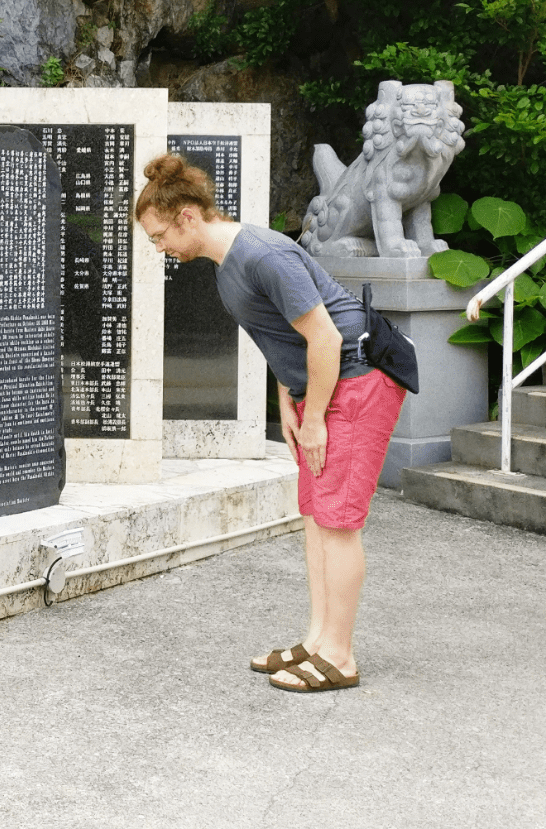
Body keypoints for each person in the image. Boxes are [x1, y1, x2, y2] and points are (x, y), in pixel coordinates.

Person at [133, 153, 406, 692]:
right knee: (315, 515)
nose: (159, 248)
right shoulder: (227, 262)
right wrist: (289, 399)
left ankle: (340, 657)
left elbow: (326, 337)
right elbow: (286, 334)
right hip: (320, 386)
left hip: (356, 380)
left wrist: (319, 418)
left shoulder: (260, 254)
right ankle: (316, 640)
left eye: (159, 236)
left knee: (337, 522)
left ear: (187, 216)